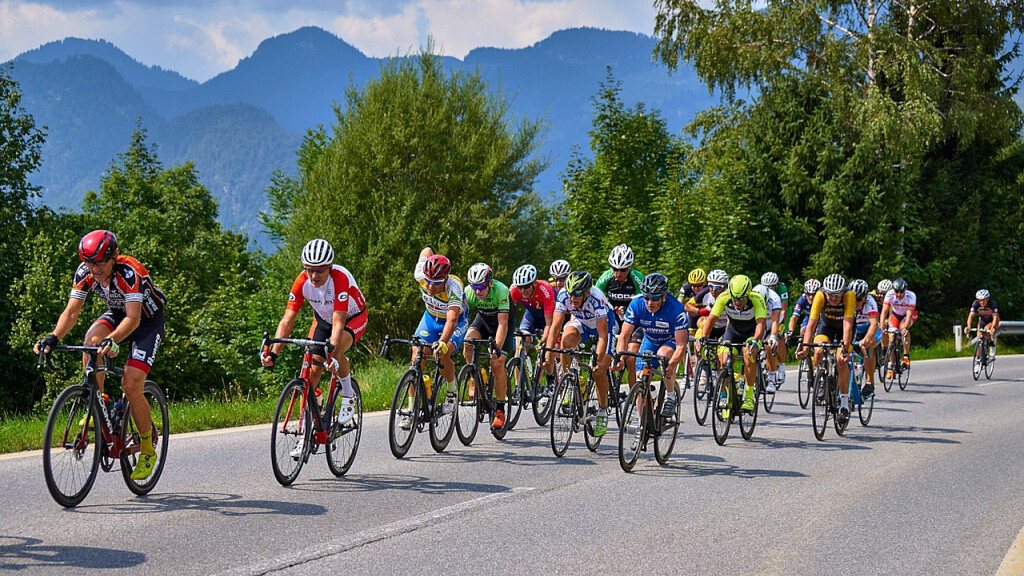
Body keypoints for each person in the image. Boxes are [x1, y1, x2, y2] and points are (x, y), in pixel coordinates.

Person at [35, 230, 167, 480]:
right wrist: (53, 337)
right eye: (89, 263)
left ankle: (148, 446)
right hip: (118, 315)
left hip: (146, 322)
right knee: (90, 342)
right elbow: (71, 312)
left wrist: (113, 339)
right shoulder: (85, 272)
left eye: (100, 263)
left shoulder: (130, 272)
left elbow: (134, 318)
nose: (94, 269)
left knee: (131, 384)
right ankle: (100, 401)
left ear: (114, 257)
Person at [261, 239, 366, 456]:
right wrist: (273, 352)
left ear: (330, 267)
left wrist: (332, 354)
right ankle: (304, 431)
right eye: (309, 270)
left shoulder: (340, 278)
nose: (314, 276)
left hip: (351, 318)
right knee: (309, 371)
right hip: (323, 320)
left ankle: (348, 395)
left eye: (319, 271)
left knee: (335, 351)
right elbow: (287, 320)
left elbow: (339, 322)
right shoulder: (302, 281)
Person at [616, 273, 689, 448]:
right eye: (647, 297)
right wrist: (620, 356)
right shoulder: (637, 304)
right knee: (642, 380)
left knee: (664, 355)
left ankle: (670, 395)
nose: (649, 303)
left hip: (669, 341)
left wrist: (671, 365)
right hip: (649, 339)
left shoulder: (676, 309)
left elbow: (681, 346)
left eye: (654, 298)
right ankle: (642, 426)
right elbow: (624, 336)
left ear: (664, 296)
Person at [402, 247, 469, 429]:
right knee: (416, 357)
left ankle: (451, 391)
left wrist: (442, 341)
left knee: (443, 353)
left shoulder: (454, 286)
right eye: (428, 281)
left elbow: (453, 319)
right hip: (430, 318)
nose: (430, 286)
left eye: (436, 282)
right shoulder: (420, 273)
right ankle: (410, 410)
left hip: (455, 321)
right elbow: (426, 249)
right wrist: (431, 256)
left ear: (445, 279)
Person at [545, 270, 616, 437]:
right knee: (565, 341)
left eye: (577, 294)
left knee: (599, 371)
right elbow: (555, 327)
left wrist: (598, 359)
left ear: (586, 292)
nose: (572, 298)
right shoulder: (564, 295)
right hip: (582, 322)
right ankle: (570, 381)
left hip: (605, 326)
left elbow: (603, 336)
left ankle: (603, 411)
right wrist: (547, 353)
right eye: (570, 294)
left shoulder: (597, 299)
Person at [698, 274, 767, 415]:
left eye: (741, 299)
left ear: (747, 294)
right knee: (723, 359)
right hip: (733, 331)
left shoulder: (757, 299)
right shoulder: (724, 297)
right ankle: (725, 396)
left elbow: (761, 324)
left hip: (752, 333)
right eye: (734, 298)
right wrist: (703, 338)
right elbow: (711, 320)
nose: (736, 302)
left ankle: (748, 394)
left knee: (749, 354)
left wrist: (755, 340)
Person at [797, 273, 855, 425]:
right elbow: (811, 324)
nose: (834, 299)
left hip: (844, 328)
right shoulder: (820, 295)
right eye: (831, 295)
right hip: (826, 326)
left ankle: (843, 404)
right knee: (818, 349)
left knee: (841, 361)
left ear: (843, 292)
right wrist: (805, 347)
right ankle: (820, 376)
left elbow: (848, 324)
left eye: (837, 295)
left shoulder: (849, 295)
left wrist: (845, 350)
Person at [463, 262, 515, 430]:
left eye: (481, 287)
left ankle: (500, 409)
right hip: (483, 321)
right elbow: (459, 319)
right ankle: (476, 376)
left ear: (490, 283)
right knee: (467, 344)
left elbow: (502, 324)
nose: (477, 291)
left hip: (502, 324)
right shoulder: (468, 292)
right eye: (474, 287)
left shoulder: (501, 290)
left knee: (497, 362)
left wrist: (496, 348)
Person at [595, 244, 645, 391]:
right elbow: (595, 298)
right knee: (603, 352)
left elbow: (643, 303)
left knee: (631, 358)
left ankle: (633, 395)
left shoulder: (637, 278)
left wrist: (629, 310)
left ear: (629, 268)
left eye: (622, 270)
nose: (618, 273)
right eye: (615, 269)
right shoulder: (606, 277)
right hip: (614, 317)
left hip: (634, 319)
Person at [509, 264, 557, 392]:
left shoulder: (545, 289)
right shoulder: (514, 290)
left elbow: (549, 323)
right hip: (531, 316)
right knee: (519, 347)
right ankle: (519, 387)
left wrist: (542, 341)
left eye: (526, 287)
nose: (523, 291)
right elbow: (507, 315)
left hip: (548, 318)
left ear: (534, 283)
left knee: (546, 348)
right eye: (520, 287)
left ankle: (550, 378)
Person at [879, 278, 917, 375]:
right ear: (893, 290)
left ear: (905, 290)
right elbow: (884, 311)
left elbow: (909, 314)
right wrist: (882, 325)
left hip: (908, 315)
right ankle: (892, 364)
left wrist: (905, 328)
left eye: (901, 292)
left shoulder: (911, 296)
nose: (899, 294)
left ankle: (906, 356)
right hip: (896, 315)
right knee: (891, 338)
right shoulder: (889, 294)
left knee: (903, 329)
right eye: (897, 292)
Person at [850, 279, 879, 397]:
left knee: (868, 346)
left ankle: (869, 382)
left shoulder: (870, 303)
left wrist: (867, 338)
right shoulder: (846, 301)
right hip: (855, 328)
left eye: (859, 299)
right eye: (853, 299)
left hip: (869, 329)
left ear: (865, 298)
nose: (855, 302)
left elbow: (874, 324)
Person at [752, 283, 782, 393]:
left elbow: (775, 321)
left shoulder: (774, 299)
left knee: (770, 346)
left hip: (772, 322)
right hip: (759, 322)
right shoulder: (752, 297)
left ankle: (772, 380)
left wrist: (773, 337)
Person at [760, 272, 788, 384]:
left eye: (771, 287)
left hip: (779, 315)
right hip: (767, 316)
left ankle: (781, 368)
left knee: (778, 339)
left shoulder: (782, 289)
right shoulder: (760, 291)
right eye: (766, 287)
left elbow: (784, 310)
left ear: (776, 285)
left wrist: (782, 329)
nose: (769, 289)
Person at [966, 289, 1000, 355]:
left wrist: (993, 327)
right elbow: (970, 316)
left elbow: (995, 317)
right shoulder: (975, 303)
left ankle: (991, 344)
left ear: (988, 299)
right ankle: (978, 360)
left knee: (987, 329)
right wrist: (968, 326)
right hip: (982, 321)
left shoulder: (992, 303)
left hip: (992, 321)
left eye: (984, 300)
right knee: (979, 338)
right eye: (980, 300)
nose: (982, 302)